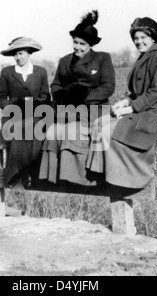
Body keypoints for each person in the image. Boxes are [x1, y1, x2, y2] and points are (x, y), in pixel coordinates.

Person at [87, 17, 157, 189]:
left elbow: (156, 92)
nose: (139, 41)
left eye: (143, 37)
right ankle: (99, 172)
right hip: (144, 109)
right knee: (98, 124)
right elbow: (138, 92)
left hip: (155, 113)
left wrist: (130, 108)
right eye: (136, 38)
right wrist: (125, 101)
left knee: (106, 132)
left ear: (153, 37)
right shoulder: (145, 57)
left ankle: (120, 180)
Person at [39, 10, 116, 186]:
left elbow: (108, 87)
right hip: (67, 109)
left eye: (83, 44)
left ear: (90, 45)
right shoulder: (64, 61)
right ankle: (50, 177)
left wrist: (85, 97)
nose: (78, 47)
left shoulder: (102, 58)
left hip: (93, 110)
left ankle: (79, 179)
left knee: (72, 132)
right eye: (75, 42)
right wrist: (63, 96)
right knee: (51, 132)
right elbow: (56, 85)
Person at [0, 37, 50, 187]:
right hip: (14, 116)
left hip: (36, 115)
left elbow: (45, 96)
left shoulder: (40, 72)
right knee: (19, 129)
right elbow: (0, 97)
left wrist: (35, 107)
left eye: (20, 53)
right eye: (15, 55)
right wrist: (11, 109)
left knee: (37, 128)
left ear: (28, 53)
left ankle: (34, 174)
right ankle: (15, 175)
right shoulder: (7, 72)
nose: (17, 57)